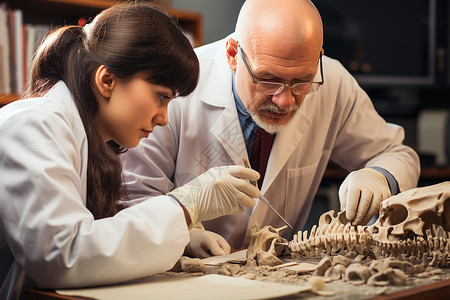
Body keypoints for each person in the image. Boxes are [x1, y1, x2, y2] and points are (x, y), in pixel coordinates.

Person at [0, 2, 262, 299]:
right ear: (107, 80)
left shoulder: (87, 138)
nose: (164, 118)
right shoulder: (33, 126)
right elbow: (62, 256)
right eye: (161, 96)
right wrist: (185, 206)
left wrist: (185, 239)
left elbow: (99, 236)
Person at [122, 0, 420, 256]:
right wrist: (186, 235)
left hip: (281, 274)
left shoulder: (333, 82)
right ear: (232, 55)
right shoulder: (178, 87)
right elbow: (133, 197)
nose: (285, 99)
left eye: (302, 81)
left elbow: (396, 153)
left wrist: (379, 177)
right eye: (268, 80)